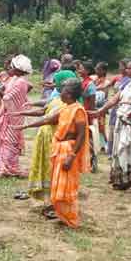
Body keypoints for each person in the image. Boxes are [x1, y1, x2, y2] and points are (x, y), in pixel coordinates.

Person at [13, 73, 72, 209]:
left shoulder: (67, 105)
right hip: (45, 137)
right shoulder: (57, 98)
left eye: (61, 86)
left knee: (51, 168)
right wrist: (22, 113)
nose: (56, 87)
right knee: (44, 166)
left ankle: (53, 200)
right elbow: (44, 111)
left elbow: (48, 118)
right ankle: (47, 199)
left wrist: (25, 125)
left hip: (54, 138)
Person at [95, 60, 131, 190]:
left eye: (130, 68)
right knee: (120, 149)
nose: (127, 70)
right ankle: (120, 179)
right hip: (122, 121)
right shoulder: (128, 84)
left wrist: (130, 117)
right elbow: (115, 99)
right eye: (127, 68)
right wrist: (100, 110)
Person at [47, 79, 90, 227]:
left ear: (70, 94)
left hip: (68, 150)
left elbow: (81, 135)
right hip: (59, 148)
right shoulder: (65, 108)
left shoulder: (78, 110)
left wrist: (71, 157)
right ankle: (62, 214)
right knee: (58, 183)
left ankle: (70, 218)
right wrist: (25, 125)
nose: (60, 92)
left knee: (67, 185)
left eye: (63, 90)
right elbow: (48, 120)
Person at [0, 54, 33, 178]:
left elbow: (9, 97)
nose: (9, 69)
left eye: (11, 66)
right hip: (8, 115)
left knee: (10, 142)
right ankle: (5, 166)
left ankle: (8, 168)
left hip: (14, 116)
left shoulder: (21, 82)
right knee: (4, 141)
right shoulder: (13, 79)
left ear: (17, 69)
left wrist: (1, 94)